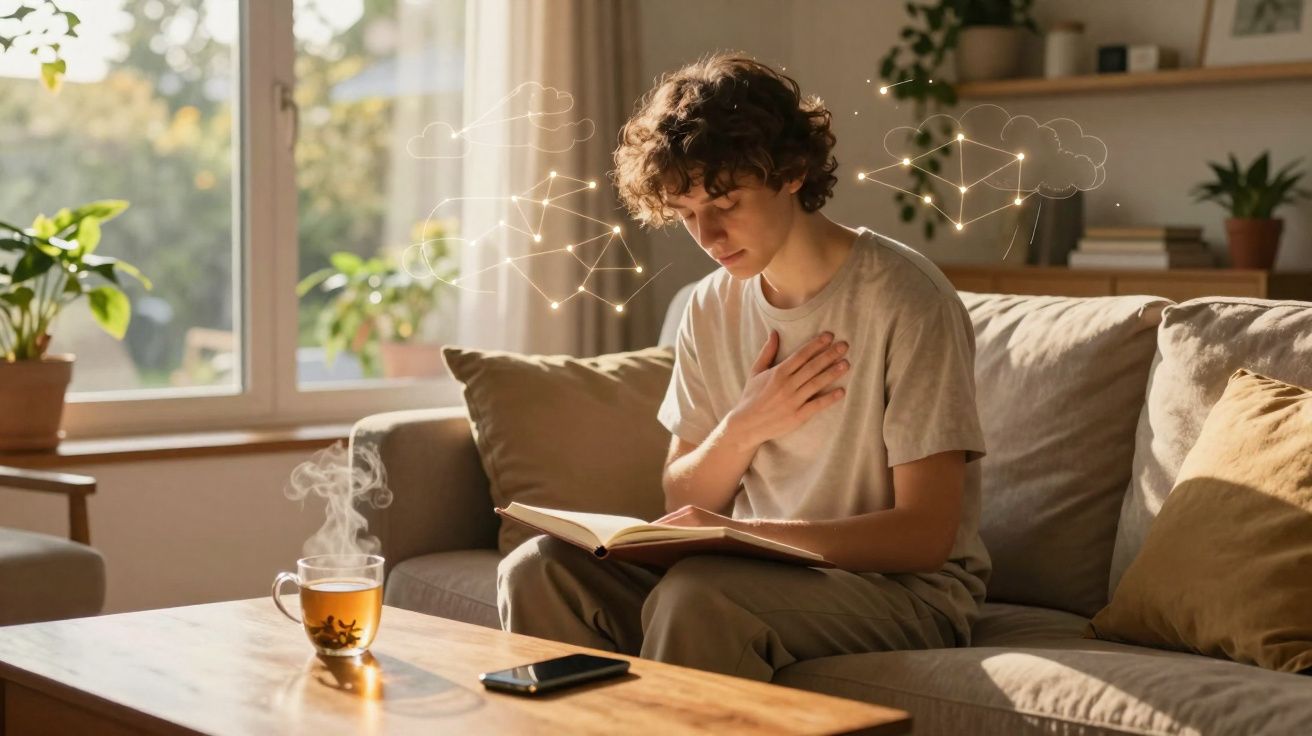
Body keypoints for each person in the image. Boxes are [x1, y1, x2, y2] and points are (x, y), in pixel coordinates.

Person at [497, 53, 989, 682]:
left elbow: (924, 536)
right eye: (686, 213)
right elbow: (682, 493)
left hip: (903, 591)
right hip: (755, 573)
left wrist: (751, 540)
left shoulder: (907, 297)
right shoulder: (709, 304)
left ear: (790, 172)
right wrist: (744, 427)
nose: (708, 233)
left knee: (700, 595)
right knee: (540, 570)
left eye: (725, 202)